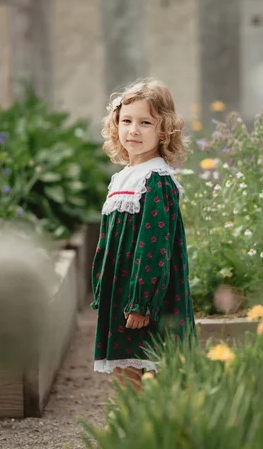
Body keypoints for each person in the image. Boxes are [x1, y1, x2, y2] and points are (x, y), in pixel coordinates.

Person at [91, 78, 195, 391]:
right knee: (124, 369)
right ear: (115, 125)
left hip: (145, 299)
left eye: (145, 122)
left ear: (164, 130)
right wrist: (102, 288)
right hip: (121, 293)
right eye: (126, 121)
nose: (133, 130)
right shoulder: (123, 177)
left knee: (149, 369)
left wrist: (141, 302)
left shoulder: (156, 180)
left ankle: (148, 431)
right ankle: (130, 429)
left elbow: (154, 247)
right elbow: (108, 241)